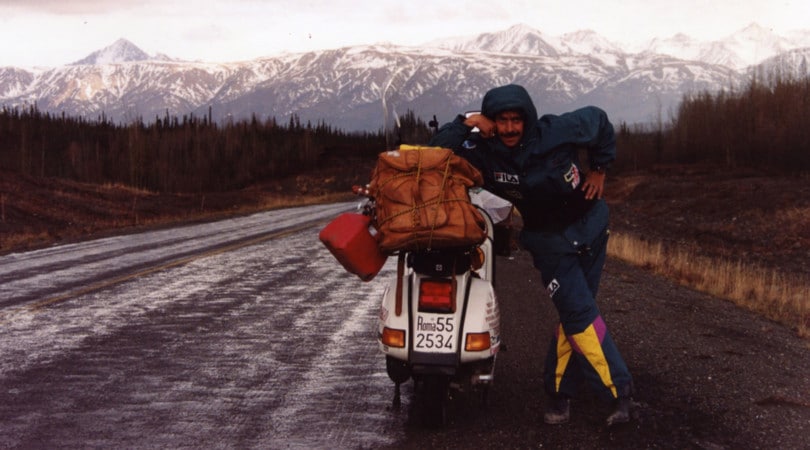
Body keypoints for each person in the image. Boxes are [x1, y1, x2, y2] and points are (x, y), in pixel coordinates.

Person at [428, 84, 633, 426]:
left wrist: (600, 167)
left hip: (592, 228)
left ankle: (558, 393)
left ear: (528, 119)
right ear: (491, 122)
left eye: (516, 120)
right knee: (580, 313)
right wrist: (467, 122)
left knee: (577, 314)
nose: (509, 128)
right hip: (549, 244)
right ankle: (620, 394)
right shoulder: (482, 152)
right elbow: (433, 152)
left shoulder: (556, 131)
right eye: (501, 120)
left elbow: (599, 121)